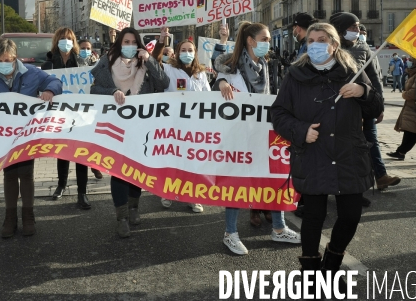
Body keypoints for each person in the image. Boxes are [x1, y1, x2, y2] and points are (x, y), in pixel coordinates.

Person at [271, 22, 383, 289]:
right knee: (313, 217)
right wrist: (300, 130)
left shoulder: (352, 72)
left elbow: (376, 107)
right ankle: (310, 273)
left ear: (334, 44)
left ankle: (331, 265)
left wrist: (363, 92)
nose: (316, 44)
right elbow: (278, 113)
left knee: (351, 215)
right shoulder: (295, 74)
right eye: (311, 40)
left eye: (322, 39)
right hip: (313, 154)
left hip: (348, 154)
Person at [212, 21, 301, 255]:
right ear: (251, 41)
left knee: (272, 177)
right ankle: (230, 234)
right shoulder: (231, 66)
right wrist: (221, 82)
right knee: (236, 183)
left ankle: (279, 229)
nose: (268, 43)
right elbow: (217, 83)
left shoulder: (264, 64)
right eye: (265, 39)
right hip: (238, 136)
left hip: (263, 132)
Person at [0, 38, 62, 237]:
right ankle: (9, 218)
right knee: (9, 175)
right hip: (3, 137)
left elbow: (54, 81)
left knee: (26, 174)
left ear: (15, 58)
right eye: (0, 60)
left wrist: (49, 90)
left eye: (8, 59)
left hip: (26, 134)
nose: (4, 63)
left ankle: (28, 216)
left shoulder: (31, 73)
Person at [90, 27, 169, 238]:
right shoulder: (106, 63)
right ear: (119, 44)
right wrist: (112, 92)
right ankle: (122, 217)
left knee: (136, 170)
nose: (130, 46)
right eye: (126, 42)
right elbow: (94, 90)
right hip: (114, 127)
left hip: (141, 127)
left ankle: (134, 208)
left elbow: (164, 83)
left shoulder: (145, 63)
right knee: (118, 171)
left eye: (134, 42)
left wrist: (150, 59)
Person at [329, 12, 401, 197]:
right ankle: (346, 185)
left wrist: (379, 104)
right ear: (340, 30)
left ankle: (381, 176)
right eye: (353, 27)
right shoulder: (329, 47)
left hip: (364, 102)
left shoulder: (364, 48)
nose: (357, 30)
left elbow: (374, 78)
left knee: (372, 141)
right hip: (341, 107)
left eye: (358, 26)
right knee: (347, 146)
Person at [153, 27, 208, 213]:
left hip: (195, 127)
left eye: (190, 50)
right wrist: (161, 41)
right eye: (183, 50)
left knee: (193, 162)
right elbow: (154, 61)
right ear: (176, 53)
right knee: (173, 160)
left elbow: (208, 98)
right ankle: (168, 192)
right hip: (173, 126)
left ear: (195, 53)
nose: (187, 53)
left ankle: (193, 197)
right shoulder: (168, 69)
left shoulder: (201, 74)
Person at [48, 28, 100, 208]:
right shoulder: (49, 62)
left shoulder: (81, 61)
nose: (66, 42)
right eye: (62, 38)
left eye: (69, 39)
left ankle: (82, 193)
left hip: (79, 113)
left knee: (80, 153)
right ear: (56, 40)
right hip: (59, 114)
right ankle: (61, 185)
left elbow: (92, 81)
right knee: (62, 152)